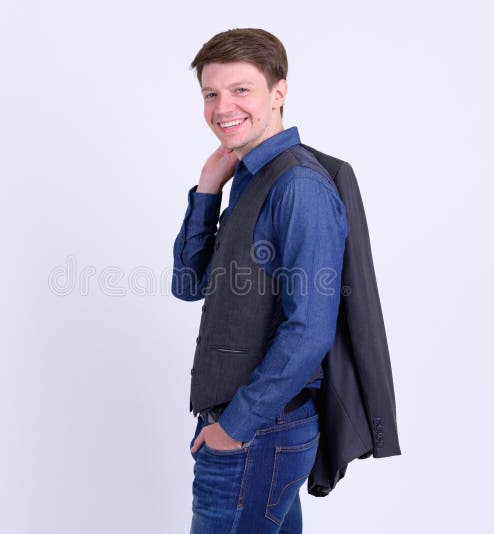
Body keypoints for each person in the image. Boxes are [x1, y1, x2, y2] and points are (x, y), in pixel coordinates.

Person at [171, 28, 349, 533]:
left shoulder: (298, 186)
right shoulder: (248, 175)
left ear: (279, 92)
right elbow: (188, 283)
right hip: (255, 428)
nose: (222, 106)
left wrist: (234, 428)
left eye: (241, 89)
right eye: (211, 93)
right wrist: (207, 191)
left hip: (257, 431)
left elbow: (310, 329)